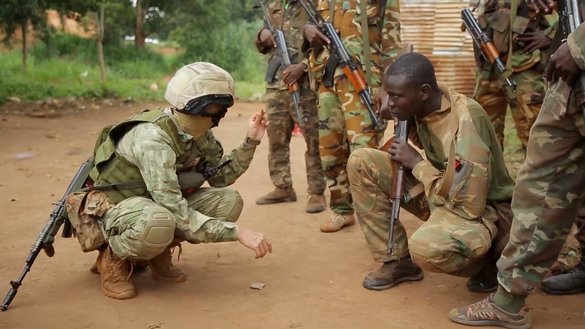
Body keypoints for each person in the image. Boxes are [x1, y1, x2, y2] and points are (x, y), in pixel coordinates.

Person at [82, 62, 272, 300]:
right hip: (118, 208)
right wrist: (237, 232)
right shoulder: (153, 139)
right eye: (218, 106)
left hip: (153, 203)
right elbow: (174, 209)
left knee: (229, 201)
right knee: (160, 220)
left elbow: (220, 177)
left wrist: (250, 141)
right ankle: (112, 257)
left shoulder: (195, 132)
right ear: (196, 106)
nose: (222, 112)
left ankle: (156, 252)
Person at [448, 17, 585, 329]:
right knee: (543, 185)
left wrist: (579, 46)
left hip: (572, 55)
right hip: (570, 74)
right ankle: (508, 300)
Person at [347, 52, 514, 292]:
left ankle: (491, 262)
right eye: (388, 94)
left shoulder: (465, 120)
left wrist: (416, 163)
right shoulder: (421, 102)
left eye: (396, 96)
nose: (390, 102)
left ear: (424, 92)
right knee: (362, 161)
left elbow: (469, 205)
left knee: (426, 248)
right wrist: (388, 101)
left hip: (484, 211)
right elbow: (396, 93)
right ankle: (396, 261)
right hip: (441, 192)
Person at [303, 0, 402, 232]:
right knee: (330, 151)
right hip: (326, 82)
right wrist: (307, 32)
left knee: (364, 153)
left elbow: (393, 43)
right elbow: (308, 26)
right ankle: (342, 210)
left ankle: (376, 218)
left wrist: (391, 88)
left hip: (366, 84)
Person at [254, 0, 326, 213]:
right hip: (276, 84)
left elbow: (326, 44)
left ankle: (317, 192)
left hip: (305, 86)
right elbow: (263, 46)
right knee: (276, 138)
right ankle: (283, 187)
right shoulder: (273, 6)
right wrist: (261, 36)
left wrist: (303, 66)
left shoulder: (313, 6)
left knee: (313, 139)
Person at [472, 0, 558, 150]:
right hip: (488, 67)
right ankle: (491, 174)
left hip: (525, 66)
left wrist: (551, 35)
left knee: (535, 136)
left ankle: (538, 173)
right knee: (483, 135)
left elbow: (574, 9)